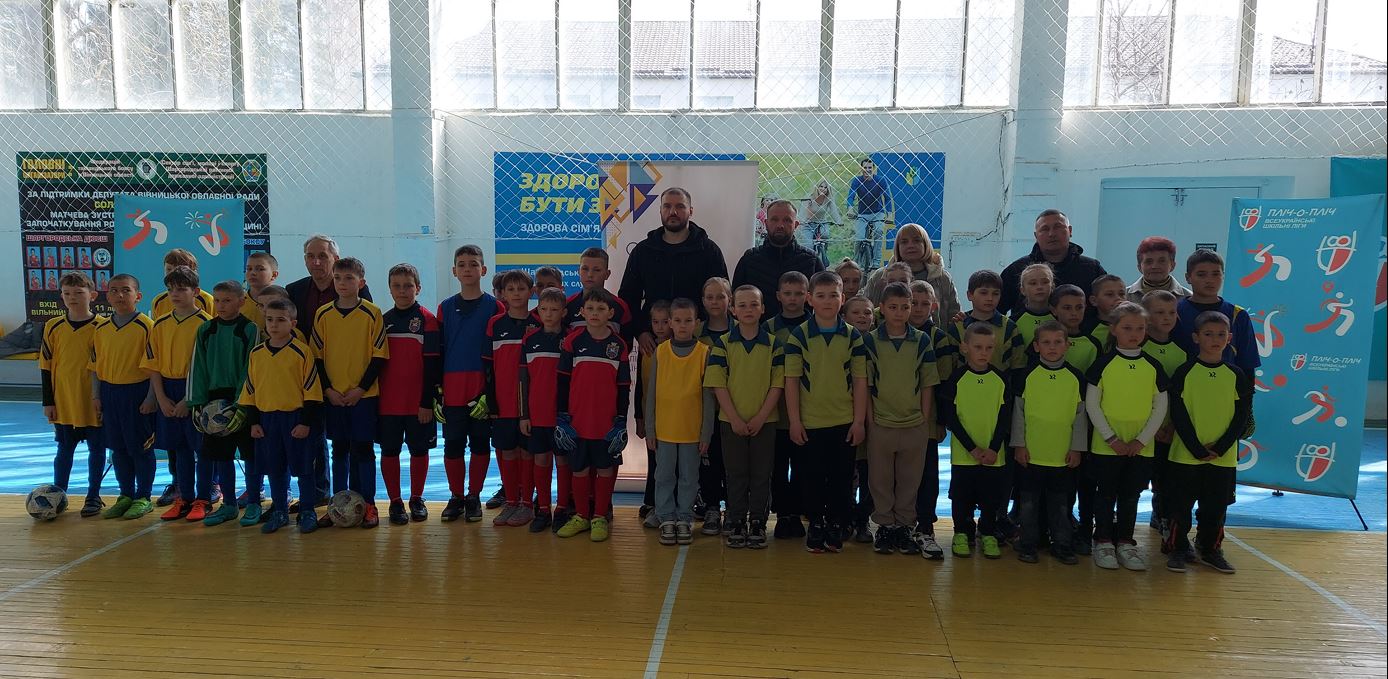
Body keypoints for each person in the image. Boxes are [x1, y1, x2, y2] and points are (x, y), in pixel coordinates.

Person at [783, 270, 868, 554]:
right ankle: (816, 523)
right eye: (821, 296)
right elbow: (791, 381)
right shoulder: (799, 336)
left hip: (844, 421)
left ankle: (836, 523)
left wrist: (859, 421)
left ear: (843, 299)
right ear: (810, 299)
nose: (828, 301)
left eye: (834, 295)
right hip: (810, 422)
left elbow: (860, 381)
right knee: (812, 478)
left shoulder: (853, 337)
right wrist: (795, 421)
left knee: (842, 479)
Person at [284, 235, 372, 508]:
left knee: (349, 443)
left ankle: (355, 498)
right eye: (311, 256)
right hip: (306, 375)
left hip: (345, 379)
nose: (316, 262)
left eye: (323, 255)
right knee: (313, 436)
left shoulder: (356, 291)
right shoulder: (294, 290)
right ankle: (320, 492)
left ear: (336, 259)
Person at [1164, 311, 1252, 575]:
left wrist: (1222, 446)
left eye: (1221, 334)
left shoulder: (1236, 374)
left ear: (1230, 338)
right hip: (1185, 454)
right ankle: (1178, 548)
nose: (1215, 339)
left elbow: (1241, 415)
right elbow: (1178, 413)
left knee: (1215, 507)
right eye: (1208, 334)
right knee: (1180, 506)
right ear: (1196, 337)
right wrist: (1195, 447)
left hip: (1222, 457)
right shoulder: (1184, 372)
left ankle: (1210, 548)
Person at [1085, 301, 1169, 571]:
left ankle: (1125, 542)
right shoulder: (1103, 364)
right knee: (1105, 494)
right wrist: (1111, 438)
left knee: (1131, 495)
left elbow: (1161, 406)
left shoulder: (1153, 366)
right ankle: (1103, 541)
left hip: (1140, 448)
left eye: (1140, 328)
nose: (1134, 334)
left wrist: (1141, 440)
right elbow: (1092, 405)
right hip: (1106, 446)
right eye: (1127, 328)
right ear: (1114, 329)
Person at [862, 282, 939, 556]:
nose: (899, 312)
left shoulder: (922, 340)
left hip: (913, 424)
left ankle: (905, 526)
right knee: (880, 480)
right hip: (881, 423)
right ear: (881, 309)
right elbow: (866, 384)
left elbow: (927, 382)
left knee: (910, 479)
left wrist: (923, 419)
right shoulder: (870, 340)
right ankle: (884, 526)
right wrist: (870, 421)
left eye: (905, 307)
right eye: (893, 307)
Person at [311, 257, 388, 529]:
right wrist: (328, 390)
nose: (342, 283)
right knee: (340, 450)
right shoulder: (322, 314)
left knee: (364, 450)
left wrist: (360, 389)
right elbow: (316, 357)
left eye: (349, 278)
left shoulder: (372, 313)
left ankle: (367, 504)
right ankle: (337, 505)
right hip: (334, 396)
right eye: (338, 278)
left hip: (363, 397)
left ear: (361, 282)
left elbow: (379, 357)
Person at [707, 285, 783, 549]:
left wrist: (761, 417)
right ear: (733, 310)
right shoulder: (722, 344)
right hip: (731, 422)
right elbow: (718, 384)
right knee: (736, 474)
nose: (748, 309)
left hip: (766, 422)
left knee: (762, 474)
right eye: (742, 305)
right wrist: (734, 418)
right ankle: (737, 519)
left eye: (754, 304)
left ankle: (758, 522)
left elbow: (778, 384)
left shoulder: (774, 344)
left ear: (763, 309)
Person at [554, 288, 631, 542]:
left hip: (606, 423)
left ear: (610, 313)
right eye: (590, 308)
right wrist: (562, 416)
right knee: (579, 469)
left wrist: (621, 420)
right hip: (577, 422)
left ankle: (599, 517)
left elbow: (623, 387)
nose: (595, 313)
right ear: (582, 312)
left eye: (601, 309)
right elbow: (562, 382)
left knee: (605, 469)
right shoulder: (572, 342)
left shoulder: (618, 345)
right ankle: (581, 516)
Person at [241, 298, 323, 534]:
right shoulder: (256, 353)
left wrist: (305, 422)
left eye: (280, 320)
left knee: (304, 469)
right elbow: (250, 391)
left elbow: (312, 392)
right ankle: (279, 511)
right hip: (267, 420)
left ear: (293, 323)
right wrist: (254, 422)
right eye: (269, 320)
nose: (274, 325)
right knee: (274, 468)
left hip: (295, 419)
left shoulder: (302, 352)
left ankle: (307, 510)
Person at [437, 245, 505, 522]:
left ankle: (474, 495)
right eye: (462, 264)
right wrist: (436, 391)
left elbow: (499, 355)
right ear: (454, 271)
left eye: (473, 264)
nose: (468, 269)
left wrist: (491, 391)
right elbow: (439, 350)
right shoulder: (444, 308)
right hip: (452, 387)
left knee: (479, 444)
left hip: (480, 386)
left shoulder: (495, 307)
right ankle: (456, 496)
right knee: (453, 445)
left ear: (483, 270)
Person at [1010, 320, 1087, 565]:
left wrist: (1077, 448)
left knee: (1061, 506)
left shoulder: (1076, 378)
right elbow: (1018, 413)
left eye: (1057, 342)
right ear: (1036, 346)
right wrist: (1019, 445)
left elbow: (1080, 416)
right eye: (1046, 342)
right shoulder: (1026, 376)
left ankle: (1062, 545)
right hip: (1031, 454)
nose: (1052, 347)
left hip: (1062, 456)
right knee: (1028, 505)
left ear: (1067, 345)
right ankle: (1028, 544)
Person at [618, 187, 728, 355]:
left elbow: (720, 298)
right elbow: (628, 296)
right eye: (667, 206)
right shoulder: (643, 251)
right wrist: (640, 332)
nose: (673, 212)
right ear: (660, 210)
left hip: (699, 342)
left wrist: (706, 330)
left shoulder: (709, 251)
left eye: (680, 206)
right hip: (654, 342)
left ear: (691, 211)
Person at [187, 280, 260, 527]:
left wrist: (242, 405)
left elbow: (251, 368)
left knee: (250, 456)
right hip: (213, 403)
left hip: (242, 401)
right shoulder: (205, 330)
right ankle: (229, 504)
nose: (221, 305)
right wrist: (197, 404)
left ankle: (253, 503)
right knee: (221, 456)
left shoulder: (249, 329)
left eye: (227, 300)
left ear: (241, 302)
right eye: (217, 300)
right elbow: (198, 367)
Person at [938, 323, 1012, 559]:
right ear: (965, 347)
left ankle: (987, 532)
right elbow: (951, 418)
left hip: (993, 455)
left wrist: (993, 448)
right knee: (962, 496)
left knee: (991, 497)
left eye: (989, 348)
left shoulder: (1000, 379)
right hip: (964, 455)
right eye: (978, 347)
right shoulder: (957, 379)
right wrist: (971, 448)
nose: (983, 352)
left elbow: (1005, 418)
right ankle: (962, 532)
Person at [646, 299, 715, 546]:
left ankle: (684, 517)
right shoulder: (661, 352)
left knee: (689, 477)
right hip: (664, 430)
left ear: (697, 323)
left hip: (691, 431)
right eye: (677, 320)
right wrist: (650, 428)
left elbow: (709, 397)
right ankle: (666, 517)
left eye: (688, 320)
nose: (683, 325)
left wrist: (706, 433)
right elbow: (652, 393)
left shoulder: (704, 353)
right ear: (670, 323)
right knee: (663, 475)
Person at [147, 267, 212, 521]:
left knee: (203, 450)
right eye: (170, 289)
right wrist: (161, 397)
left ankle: (203, 499)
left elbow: (208, 369)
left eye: (181, 289)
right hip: (168, 389)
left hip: (196, 390)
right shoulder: (160, 324)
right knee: (180, 449)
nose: (175, 294)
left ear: (195, 292)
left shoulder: (206, 324)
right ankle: (184, 498)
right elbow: (153, 365)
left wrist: (190, 399)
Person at [89, 274, 156, 520]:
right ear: (107, 296)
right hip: (110, 393)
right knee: (118, 448)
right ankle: (125, 494)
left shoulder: (147, 326)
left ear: (138, 296)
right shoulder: (101, 328)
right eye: (114, 290)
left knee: (140, 448)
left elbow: (154, 367)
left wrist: (151, 398)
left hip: (137, 393)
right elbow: (95, 366)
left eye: (126, 290)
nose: (119, 295)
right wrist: (96, 395)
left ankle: (143, 496)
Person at [378, 263, 441, 525]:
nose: (402, 291)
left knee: (419, 450)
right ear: (390, 289)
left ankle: (416, 498)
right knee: (389, 451)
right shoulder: (382, 321)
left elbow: (433, 365)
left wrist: (426, 402)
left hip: (418, 404)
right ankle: (395, 501)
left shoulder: (428, 320)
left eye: (408, 286)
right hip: (388, 403)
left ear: (418, 288)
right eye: (397, 286)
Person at [485, 270, 540, 527]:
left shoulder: (539, 322)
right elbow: (487, 365)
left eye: (521, 289)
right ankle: (511, 501)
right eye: (511, 289)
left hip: (530, 405)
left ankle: (527, 503)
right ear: (502, 294)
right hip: (503, 401)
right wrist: (491, 400)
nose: (516, 294)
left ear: (532, 292)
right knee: (507, 451)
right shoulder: (495, 324)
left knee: (527, 453)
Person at [762, 272, 809, 540]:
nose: (793, 299)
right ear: (778, 296)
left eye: (799, 293)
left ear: (808, 296)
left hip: (808, 412)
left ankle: (798, 513)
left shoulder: (815, 325)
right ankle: (782, 515)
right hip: (777, 413)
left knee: (803, 467)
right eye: (788, 293)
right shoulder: (768, 328)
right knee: (778, 468)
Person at [908, 279, 952, 559]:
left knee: (927, 474)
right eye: (913, 302)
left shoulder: (940, 339)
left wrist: (941, 421)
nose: (918, 308)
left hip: (928, 420)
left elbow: (944, 384)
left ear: (934, 306)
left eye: (925, 304)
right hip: (895, 417)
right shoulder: (888, 334)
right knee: (899, 474)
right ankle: (900, 523)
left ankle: (925, 524)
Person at [520, 288, 568, 533]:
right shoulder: (529, 340)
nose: (548, 314)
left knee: (563, 461)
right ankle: (543, 509)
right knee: (541, 460)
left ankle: (563, 508)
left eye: (554, 309)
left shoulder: (571, 340)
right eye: (544, 309)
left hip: (563, 416)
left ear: (564, 312)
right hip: (537, 414)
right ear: (537, 311)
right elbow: (523, 380)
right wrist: (524, 415)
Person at [999, 209, 1107, 317]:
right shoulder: (1017, 270)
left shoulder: (1092, 269)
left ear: (1070, 231)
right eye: (1045, 229)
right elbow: (996, 311)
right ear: (1036, 236)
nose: (1052, 234)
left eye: (1058, 227)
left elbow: (1110, 308)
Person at [731, 199, 823, 321]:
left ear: (796, 225)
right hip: (758, 331)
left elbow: (824, 302)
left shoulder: (811, 261)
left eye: (787, 220)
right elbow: (735, 302)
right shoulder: (749, 260)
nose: (780, 225)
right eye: (774, 219)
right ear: (766, 223)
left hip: (801, 331)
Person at [1140, 290, 1185, 536]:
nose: (1167, 317)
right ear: (1146, 317)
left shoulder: (1182, 353)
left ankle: (1162, 516)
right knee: (1136, 481)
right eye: (1159, 312)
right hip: (1142, 431)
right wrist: (1151, 427)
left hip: (1170, 430)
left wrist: (1173, 425)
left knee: (1167, 480)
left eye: (1171, 312)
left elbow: (1181, 396)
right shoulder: (1138, 350)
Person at [1173, 250, 1260, 376]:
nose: (1210, 280)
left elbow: (1247, 363)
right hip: (1182, 385)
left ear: (1223, 276)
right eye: (1202, 275)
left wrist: (1245, 388)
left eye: (1215, 274)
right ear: (1188, 278)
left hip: (1226, 385)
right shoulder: (1174, 313)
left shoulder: (1238, 315)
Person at [694, 277, 733, 534]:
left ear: (730, 299)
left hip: (734, 412)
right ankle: (710, 508)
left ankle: (732, 509)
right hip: (704, 412)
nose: (715, 302)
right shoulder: (695, 332)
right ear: (703, 301)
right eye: (710, 297)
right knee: (708, 463)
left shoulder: (743, 330)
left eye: (721, 296)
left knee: (732, 463)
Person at [862, 223, 960, 325]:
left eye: (917, 240)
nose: (910, 245)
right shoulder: (880, 276)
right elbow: (865, 307)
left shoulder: (942, 278)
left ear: (926, 244)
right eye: (904, 242)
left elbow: (954, 314)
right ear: (897, 247)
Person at [634, 301, 672, 528]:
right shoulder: (646, 350)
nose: (659, 327)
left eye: (665, 322)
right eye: (655, 322)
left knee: (672, 464)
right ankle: (653, 502)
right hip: (652, 418)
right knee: (654, 460)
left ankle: (671, 505)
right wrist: (639, 416)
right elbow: (640, 384)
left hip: (674, 419)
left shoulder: (680, 349)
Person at [842, 295, 876, 543]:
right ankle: (844, 517)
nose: (863, 316)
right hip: (844, 416)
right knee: (846, 472)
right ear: (844, 317)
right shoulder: (841, 342)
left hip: (873, 419)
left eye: (867, 312)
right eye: (856, 312)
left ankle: (863, 520)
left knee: (868, 473)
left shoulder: (878, 343)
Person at [947, 270, 1026, 371]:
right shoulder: (958, 326)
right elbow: (949, 365)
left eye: (995, 294)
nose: (990, 298)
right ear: (969, 295)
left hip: (1001, 381)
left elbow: (1018, 365)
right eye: (983, 293)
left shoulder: (1010, 327)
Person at [566, 248, 633, 333]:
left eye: (597, 270)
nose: (590, 274)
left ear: (607, 274)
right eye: (585, 269)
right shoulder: (567, 305)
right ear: (578, 271)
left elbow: (626, 340)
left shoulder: (621, 307)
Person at [845, 158, 894, 271]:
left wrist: (889, 214)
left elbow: (887, 198)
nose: (867, 170)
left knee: (879, 231)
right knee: (859, 237)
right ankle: (856, 262)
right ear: (861, 169)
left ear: (873, 169)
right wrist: (850, 209)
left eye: (869, 168)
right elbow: (851, 196)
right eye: (865, 167)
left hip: (878, 213)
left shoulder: (880, 180)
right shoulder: (857, 181)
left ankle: (876, 262)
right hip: (863, 214)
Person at [150, 249, 214, 318]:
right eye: (169, 269)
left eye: (179, 269)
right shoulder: (158, 301)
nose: (173, 273)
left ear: (193, 272)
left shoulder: (207, 300)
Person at [1127, 237, 1192, 302]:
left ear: (1172, 265)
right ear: (1139, 267)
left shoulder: (1188, 298)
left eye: (1162, 261)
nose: (1155, 266)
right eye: (1149, 261)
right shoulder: (1125, 297)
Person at [1011, 263, 1056, 348]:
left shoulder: (1060, 319)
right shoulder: (1012, 322)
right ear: (1023, 290)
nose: (1039, 287)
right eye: (1033, 283)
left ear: (1052, 287)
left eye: (1045, 282)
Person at [799, 180, 841, 269]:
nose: (823, 189)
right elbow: (802, 210)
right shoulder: (809, 197)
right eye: (821, 186)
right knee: (808, 246)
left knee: (825, 235)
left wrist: (838, 222)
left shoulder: (829, 199)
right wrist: (801, 221)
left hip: (821, 222)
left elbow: (834, 211)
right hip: (808, 224)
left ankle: (824, 253)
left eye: (825, 187)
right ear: (817, 188)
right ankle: (808, 264)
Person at [1085, 274, 1127, 349]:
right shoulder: (1088, 330)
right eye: (1110, 294)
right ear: (1094, 301)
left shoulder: (1135, 325)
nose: (1118, 298)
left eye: (1121, 294)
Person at [241, 252, 279, 328]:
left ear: (274, 275)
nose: (253, 273)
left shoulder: (284, 302)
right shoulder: (237, 303)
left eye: (260, 269)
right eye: (249, 269)